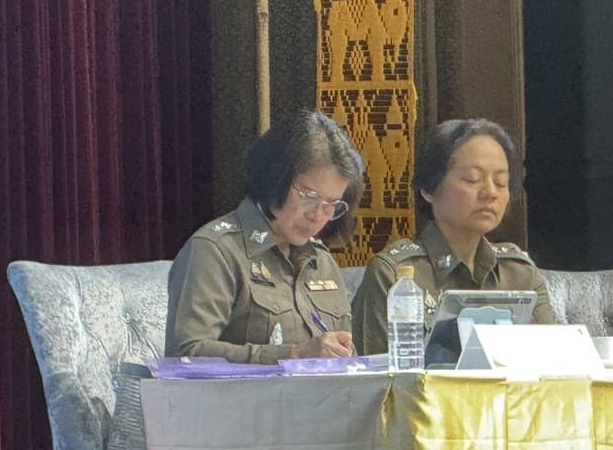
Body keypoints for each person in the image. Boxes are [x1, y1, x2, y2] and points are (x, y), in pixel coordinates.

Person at [166, 110, 362, 363]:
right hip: (245, 392)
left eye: (331, 204)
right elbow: (185, 356)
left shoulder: (321, 261)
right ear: (274, 178)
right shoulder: (216, 251)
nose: (317, 215)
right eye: (309, 196)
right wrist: (294, 355)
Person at [351, 119, 555, 355]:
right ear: (428, 189)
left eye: (501, 182)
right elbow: (376, 372)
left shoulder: (521, 274)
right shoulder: (394, 275)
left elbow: (554, 362)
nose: (490, 192)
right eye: (472, 179)